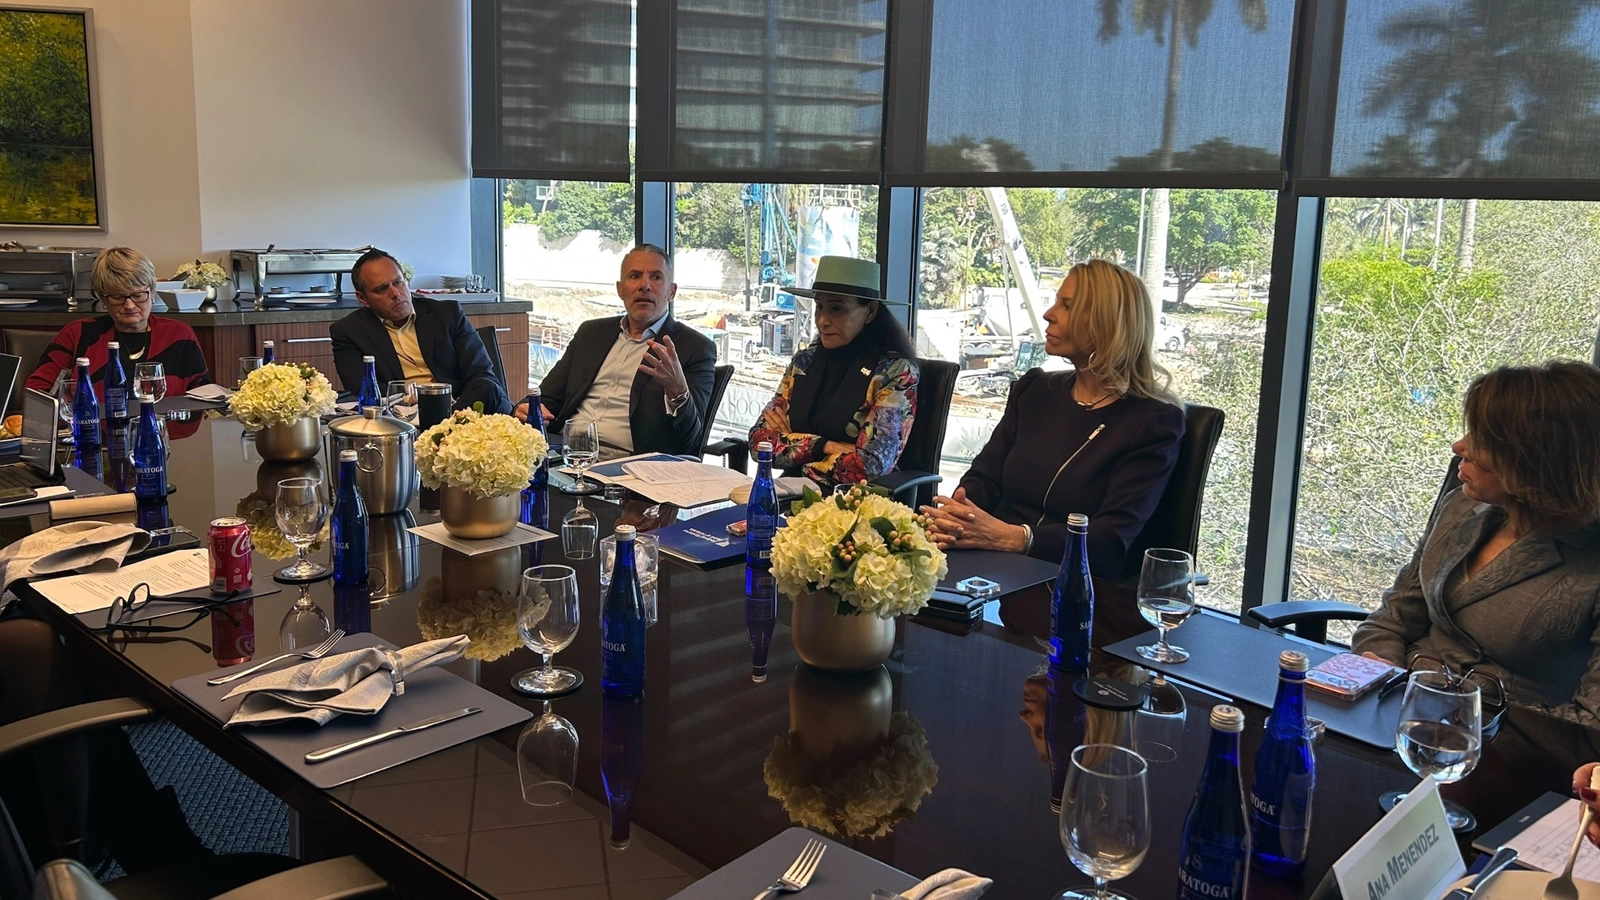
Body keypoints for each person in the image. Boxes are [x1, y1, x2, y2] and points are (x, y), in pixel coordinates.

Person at [1354, 360, 1600, 724]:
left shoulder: (1590, 564)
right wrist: (1382, 672)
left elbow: (1591, 722)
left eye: (1483, 439)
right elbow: (1393, 619)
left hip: (1508, 749)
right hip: (1398, 711)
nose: (1459, 445)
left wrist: (1462, 723)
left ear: (1536, 462)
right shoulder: (1461, 506)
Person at [921, 259, 1184, 581]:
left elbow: (1111, 540)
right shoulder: (1034, 391)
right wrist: (960, 515)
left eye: (1067, 306)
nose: (1049, 313)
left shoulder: (1153, 422)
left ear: (1108, 322)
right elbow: (984, 478)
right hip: (994, 569)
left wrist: (1014, 538)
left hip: (1078, 586)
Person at [531, 244, 717, 458]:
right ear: (620, 289)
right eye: (635, 276)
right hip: (566, 452)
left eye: (656, 277)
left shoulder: (693, 348)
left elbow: (690, 442)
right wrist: (529, 407)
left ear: (671, 292)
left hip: (631, 464)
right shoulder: (591, 333)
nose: (644, 285)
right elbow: (547, 398)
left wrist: (678, 392)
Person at [749, 256, 918, 489]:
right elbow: (759, 444)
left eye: (837, 309)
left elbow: (868, 467)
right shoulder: (805, 362)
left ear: (870, 311)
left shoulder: (894, 373)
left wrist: (793, 444)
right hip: (788, 494)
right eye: (819, 306)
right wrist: (825, 446)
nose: (822, 320)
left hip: (853, 507)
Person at [329, 248, 510, 414]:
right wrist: (417, 394)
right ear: (363, 298)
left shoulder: (447, 314)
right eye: (382, 289)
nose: (395, 293)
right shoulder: (348, 331)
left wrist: (450, 405)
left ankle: (443, 430)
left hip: (461, 407)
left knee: (488, 387)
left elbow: (481, 373)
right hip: (402, 416)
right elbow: (362, 388)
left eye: (398, 282)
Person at [24, 247, 211, 399]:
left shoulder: (178, 334)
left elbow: (202, 395)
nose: (129, 305)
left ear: (152, 293)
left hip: (166, 436)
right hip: (93, 437)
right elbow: (37, 392)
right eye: (116, 297)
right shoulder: (78, 334)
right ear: (103, 299)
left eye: (138, 295)